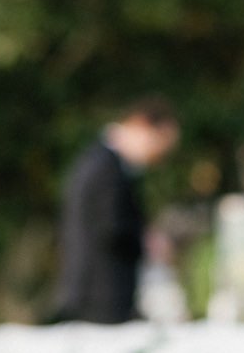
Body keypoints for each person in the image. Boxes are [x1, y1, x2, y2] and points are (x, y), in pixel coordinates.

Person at [52, 98, 180, 323]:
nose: (158, 157)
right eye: (160, 144)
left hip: (99, 295)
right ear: (142, 127)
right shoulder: (106, 169)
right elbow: (111, 227)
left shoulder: (103, 164)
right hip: (100, 297)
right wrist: (147, 243)